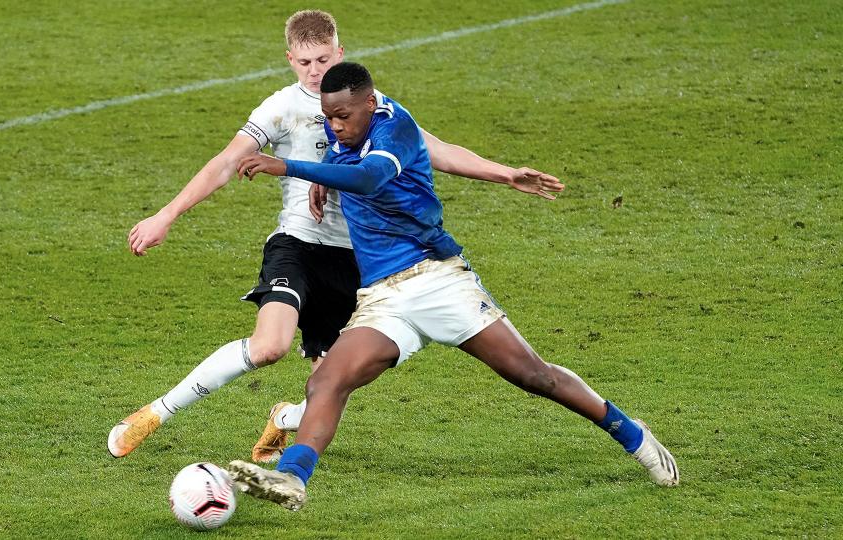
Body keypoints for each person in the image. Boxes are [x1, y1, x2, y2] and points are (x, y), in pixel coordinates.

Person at [108, 11, 564, 461]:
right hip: (298, 245)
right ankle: (153, 414)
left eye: (323, 59)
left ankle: (285, 419)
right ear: (290, 59)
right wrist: (166, 215)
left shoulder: (375, 107)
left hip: (358, 261)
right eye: (305, 62)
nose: (315, 71)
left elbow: (438, 150)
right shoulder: (281, 108)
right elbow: (227, 162)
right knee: (270, 346)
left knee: (328, 387)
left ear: (339, 52)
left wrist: (505, 174)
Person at [228, 62, 679, 511]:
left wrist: (289, 166)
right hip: (383, 299)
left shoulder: (395, 128)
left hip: (437, 280)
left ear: (369, 101)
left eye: (343, 116)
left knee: (533, 376)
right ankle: (291, 478)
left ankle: (632, 433)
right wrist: (325, 170)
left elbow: (370, 177)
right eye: (328, 117)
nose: (335, 125)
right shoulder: (348, 135)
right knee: (326, 381)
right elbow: (348, 164)